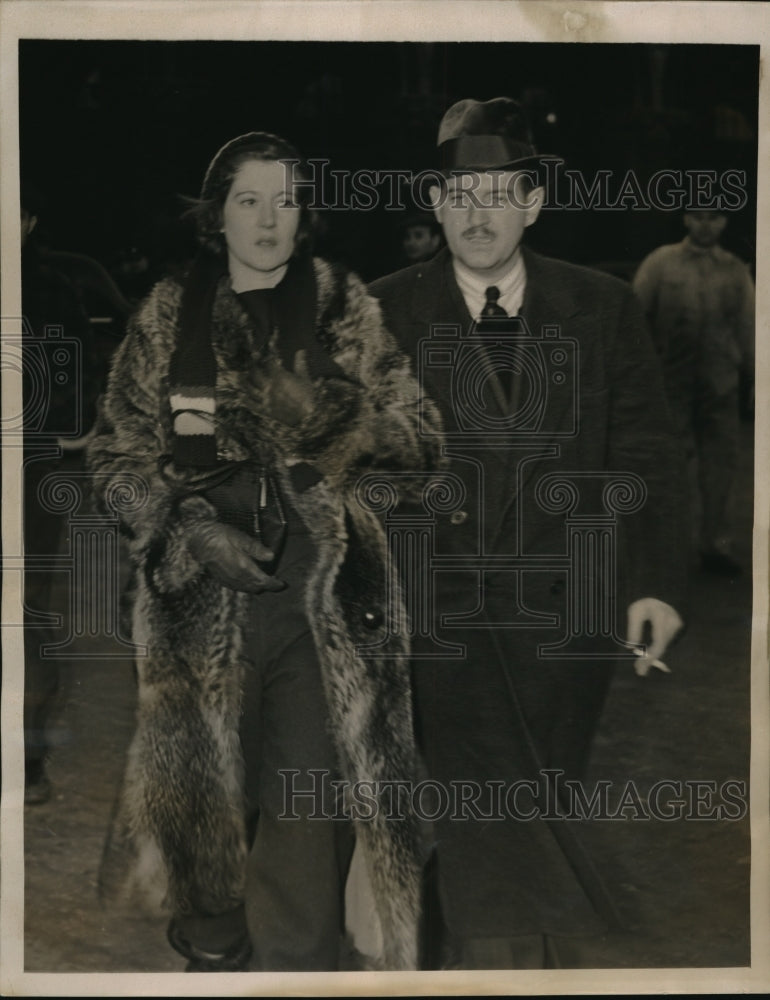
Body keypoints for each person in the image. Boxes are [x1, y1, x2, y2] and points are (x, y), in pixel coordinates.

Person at [87, 131, 442, 972]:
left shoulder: (341, 306)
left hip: (321, 611)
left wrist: (327, 414)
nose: (269, 219)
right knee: (207, 809)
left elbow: (423, 441)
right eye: (250, 201)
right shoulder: (171, 316)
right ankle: (211, 948)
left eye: (285, 200)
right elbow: (113, 456)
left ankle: (296, 972)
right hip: (199, 604)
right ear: (217, 216)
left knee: (305, 810)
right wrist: (188, 530)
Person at [369, 97, 687, 969]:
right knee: (485, 811)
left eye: (500, 193)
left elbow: (651, 454)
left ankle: (478, 961)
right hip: (436, 621)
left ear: (533, 205)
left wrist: (654, 585)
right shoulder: (380, 313)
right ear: (435, 206)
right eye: (460, 194)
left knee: (536, 800)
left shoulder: (604, 307)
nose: (479, 214)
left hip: (566, 619)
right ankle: (501, 973)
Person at [21, 181, 98, 804]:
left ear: (29, 220)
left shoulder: (51, 289)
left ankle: (27, 759)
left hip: (31, 467)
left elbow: (78, 372)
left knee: (29, 607)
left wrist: (63, 433)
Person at [632, 209, 755, 577]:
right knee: (670, 470)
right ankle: (669, 552)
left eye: (714, 218)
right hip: (671, 388)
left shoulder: (735, 270)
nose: (706, 225)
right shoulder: (661, 263)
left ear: (725, 223)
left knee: (720, 469)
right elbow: (634, 320)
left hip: (720, 388)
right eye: (699, 216)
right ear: (686, 220)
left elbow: (750, 330)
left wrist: (758, 382)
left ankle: (714, 547)